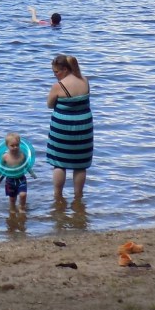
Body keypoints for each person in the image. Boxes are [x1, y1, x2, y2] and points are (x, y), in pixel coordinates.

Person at [46, 54, 93, 203]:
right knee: (80, 164)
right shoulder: (85, 80)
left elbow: (49, 104)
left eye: (56, 72)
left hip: (62, 128)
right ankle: (78, 197)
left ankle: (58, 197)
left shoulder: (59, 86)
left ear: (65, 69)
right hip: (84, 127)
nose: (55, 75)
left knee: (59, 163)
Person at [1, 132, 28, 211]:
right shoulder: (5, 157)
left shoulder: (22, 155)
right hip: (10, 180)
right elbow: (0, 169)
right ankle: (12, 210)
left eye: (17, 145)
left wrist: (32, 173)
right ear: (7, 145)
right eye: (12, 146)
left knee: (23, 195)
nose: (15, 147)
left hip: (21, 178)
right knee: (12, 199)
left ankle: (22, 208)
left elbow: (27, 165)